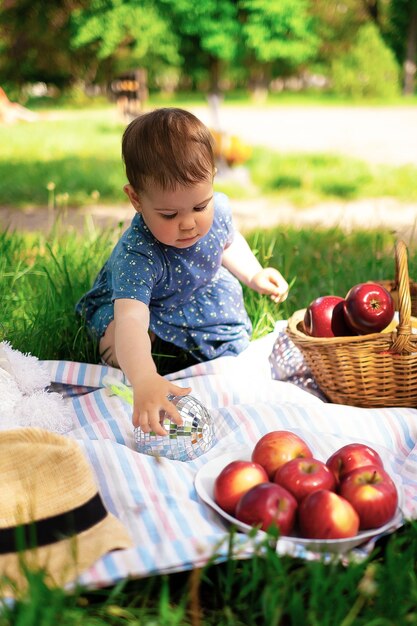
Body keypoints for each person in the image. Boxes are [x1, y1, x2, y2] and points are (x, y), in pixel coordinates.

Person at [76, 108, 289, 436]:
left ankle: (192, 349)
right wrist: (144, 377)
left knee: (234, 347)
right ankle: (143, 366)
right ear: (136, 199)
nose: (189, 222)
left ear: (213, 178)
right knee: (119, 338)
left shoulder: (217, 210)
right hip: (143, 306)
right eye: (169, 213)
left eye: (199, 206)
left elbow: (228, 243)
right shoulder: (138, 253)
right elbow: (133, 319)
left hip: (196, 293)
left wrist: (254, 275)